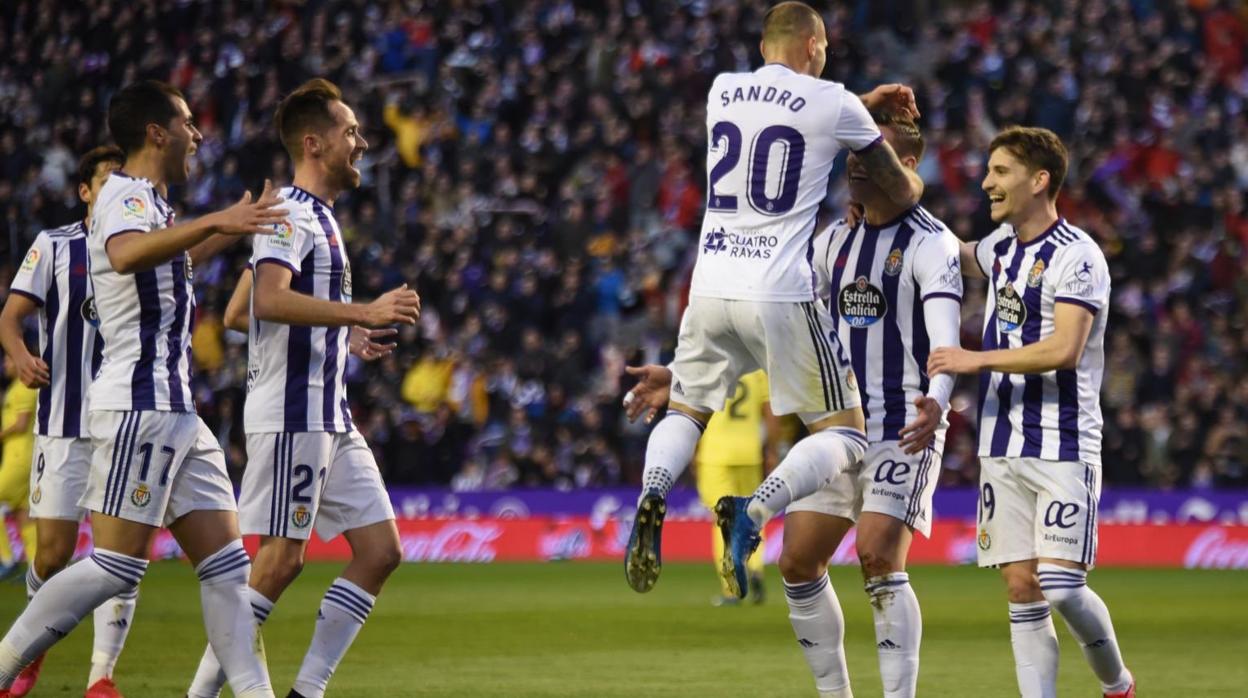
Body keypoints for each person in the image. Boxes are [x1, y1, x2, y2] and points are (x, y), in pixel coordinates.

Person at [625, 112, 963, 698]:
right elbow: (787, 342)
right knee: (798, 566)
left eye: (871, 157)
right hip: (835, 424)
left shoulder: (932, 244)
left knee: (878, 554)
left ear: (907, 168)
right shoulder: (832, 242)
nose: (856, 165)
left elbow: (945, 341)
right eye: (853, 156)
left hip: (904, 427)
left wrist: (936, 402)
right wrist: (684, 373)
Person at [624, 0, 924, 603]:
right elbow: (893, 182)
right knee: (846, 433)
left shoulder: (722, 91)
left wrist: (858, 103)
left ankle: (653, 489)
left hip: (708, 284)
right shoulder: (833, 98)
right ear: (814, 45)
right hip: (779, 289)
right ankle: (752, 512)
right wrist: (915, 181)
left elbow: (786, 120)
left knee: (685, 410)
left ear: (765, 48)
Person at [0, 79, 284, 698]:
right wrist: (218, 218)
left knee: (229, 568)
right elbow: (127, 256)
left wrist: (234, 228)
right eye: (186, 121)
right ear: (157, 132)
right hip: (138, 404)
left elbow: (165, 262)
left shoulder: (153, 203)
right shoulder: (125, 194)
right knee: (116, 565)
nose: (198, 133)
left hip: (176, 408)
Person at [187, 78, 420, 698]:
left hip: (328, 414)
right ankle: (200, 695)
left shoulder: (313, 217)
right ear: (315, 144)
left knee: (380, 550)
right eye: (350, 132)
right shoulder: (292, 211)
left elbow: (241, 314)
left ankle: (304, 692)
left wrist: (342, 339)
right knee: (280, 562)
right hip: (294, 413)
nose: (362, 142)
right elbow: (267, 298)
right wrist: (361, 314)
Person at [928, 126, 1135, 698]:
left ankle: (1117, 685)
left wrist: (975, 359)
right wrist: (891, 206)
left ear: (1039, 180)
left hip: (1064, 443)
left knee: (1062, 586)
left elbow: (1063, 349)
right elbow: (949, 254)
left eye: (1000, 171)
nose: (986, 181)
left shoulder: (1080, 256)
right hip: (1002, 443)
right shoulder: (998, 248)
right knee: (1022, 586)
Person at [0, 145, 140, 698]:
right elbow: (11, 317)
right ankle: (31, 648)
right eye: (105, 182)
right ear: (84, 191)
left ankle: (101, 677)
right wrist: (19, 356)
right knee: (53, 554)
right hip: (63, 421)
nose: (115, 192)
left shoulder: (142, 246)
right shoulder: (54, 246)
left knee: (120, 554)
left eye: (122, 182)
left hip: (126, 420)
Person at [691, 369, 778, 605]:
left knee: (723, 521)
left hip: (716, 454)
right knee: (752, 515)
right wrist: (771, 449)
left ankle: (732, 588)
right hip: (750, 453)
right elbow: (770, 412)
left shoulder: (712, 365)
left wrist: (692, 450)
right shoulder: (758, 370)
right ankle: (756, 568)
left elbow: (696, 411)